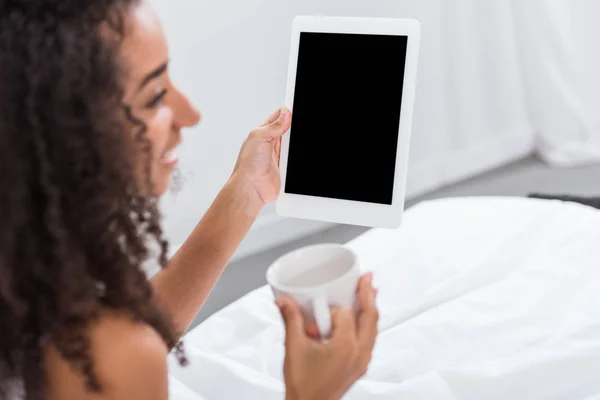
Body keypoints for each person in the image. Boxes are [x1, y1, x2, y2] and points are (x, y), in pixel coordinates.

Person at [0, 0, 379, 399]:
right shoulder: (104, 360)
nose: (190, 114)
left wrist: (246, 194)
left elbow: (130, 330)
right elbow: (121, 351)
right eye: (155, 97)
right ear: (62, 131)